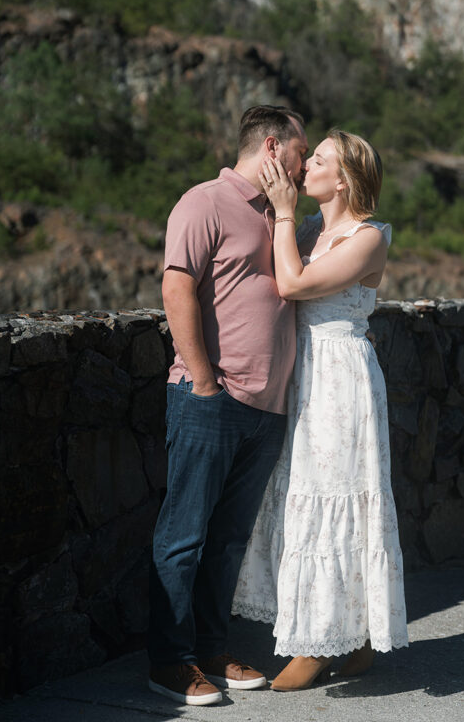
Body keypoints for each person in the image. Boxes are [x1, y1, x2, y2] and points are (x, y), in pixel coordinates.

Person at [233, 128, 409, 691]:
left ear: (346, 177)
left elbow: (292, 283)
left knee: (333, 494)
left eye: (320, 159)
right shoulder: (310, 229)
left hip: (338, 379)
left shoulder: (369, 236)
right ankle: (349, 640)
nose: (306, 164)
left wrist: (282, 213)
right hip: (300, 369)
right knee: (298, 495)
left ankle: (317, 643)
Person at [147, 105, 309, 706]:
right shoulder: (203, 202)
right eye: (300, 151)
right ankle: (170, 661)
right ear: (272, 147)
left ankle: (213, 650)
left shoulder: (284, 216)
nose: (304, 161)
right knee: (184, 536)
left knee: (230, 540)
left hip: (267, 411)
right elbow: (176, 287)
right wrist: (205, 380)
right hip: (210, 399)